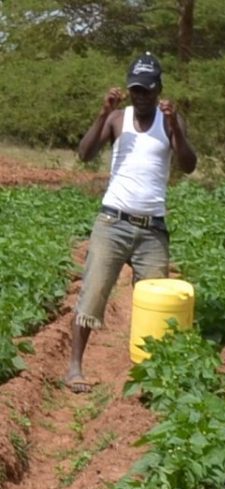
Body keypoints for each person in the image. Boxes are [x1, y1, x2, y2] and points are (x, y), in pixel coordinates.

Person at [65, 52, 197, 393]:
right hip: (113, 221)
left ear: (158, 91)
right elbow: (84, 154)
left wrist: (175, 129)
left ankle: (151, 375)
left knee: (156, 303)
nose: (141, 97)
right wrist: (102, 114)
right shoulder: (117, 120)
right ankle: (75, 367)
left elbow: (188, 164)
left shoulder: (169, 122)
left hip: (153, 228)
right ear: (129, 90)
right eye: (136, 90)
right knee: (92, 293)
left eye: (147, 91)